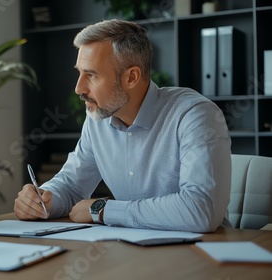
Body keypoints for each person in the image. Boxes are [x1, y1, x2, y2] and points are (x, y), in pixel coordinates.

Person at [14, 19, 232, 233]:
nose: (79, 88)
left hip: (201, 255)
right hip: (131, 252)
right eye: (79, 73)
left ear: (131, 77)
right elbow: (71, 186)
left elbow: (201, 210)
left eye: (91, 75)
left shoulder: (195, 115)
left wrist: (102, 209)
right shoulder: (97, 119)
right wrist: (42, 199)